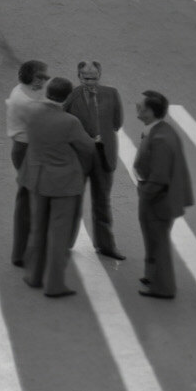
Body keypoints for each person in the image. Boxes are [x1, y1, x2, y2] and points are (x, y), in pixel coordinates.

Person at [21, 77, 98, 298]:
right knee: (59, 235)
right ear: (67, 96)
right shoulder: (70, 122)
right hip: (63, 183)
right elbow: (88, 147)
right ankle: (54, 284)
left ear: (48, 91)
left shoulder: (31, 111)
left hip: (37, 176)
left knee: (38, 229)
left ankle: (33, 275)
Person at [63, 60, 127, 260]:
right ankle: (65, 243)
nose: (90, 82)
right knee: (73, 200)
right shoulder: (71, 96)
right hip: (79, 155)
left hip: (103, 153)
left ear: (100, 75)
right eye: (86, 78)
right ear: (79, 76)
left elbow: (117, 123)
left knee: (102, 202)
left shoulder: (112, 93)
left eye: (94, 78)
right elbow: (63, 122)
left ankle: (106, 246)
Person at [133, 91, 193, 299]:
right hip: (159, 196)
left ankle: (163, 287)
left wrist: (144, 194)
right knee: (152, 239)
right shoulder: (160, 130)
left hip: (157, 200)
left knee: (158, 242)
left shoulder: (160, 139)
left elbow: (159, 178)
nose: (137, 108)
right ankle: (151, 275)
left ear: (150, 112)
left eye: (140, 106)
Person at [5, 60, 51, 267]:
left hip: (24, 148)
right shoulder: (25, 102)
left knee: (29, 198)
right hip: (27, 150)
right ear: (29, 77)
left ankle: (25, 250)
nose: (44, 81)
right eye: (40, 77)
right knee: (29, 200)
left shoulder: (23, 91)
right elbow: (45, 122)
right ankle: (22, 253)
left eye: (45, 77)